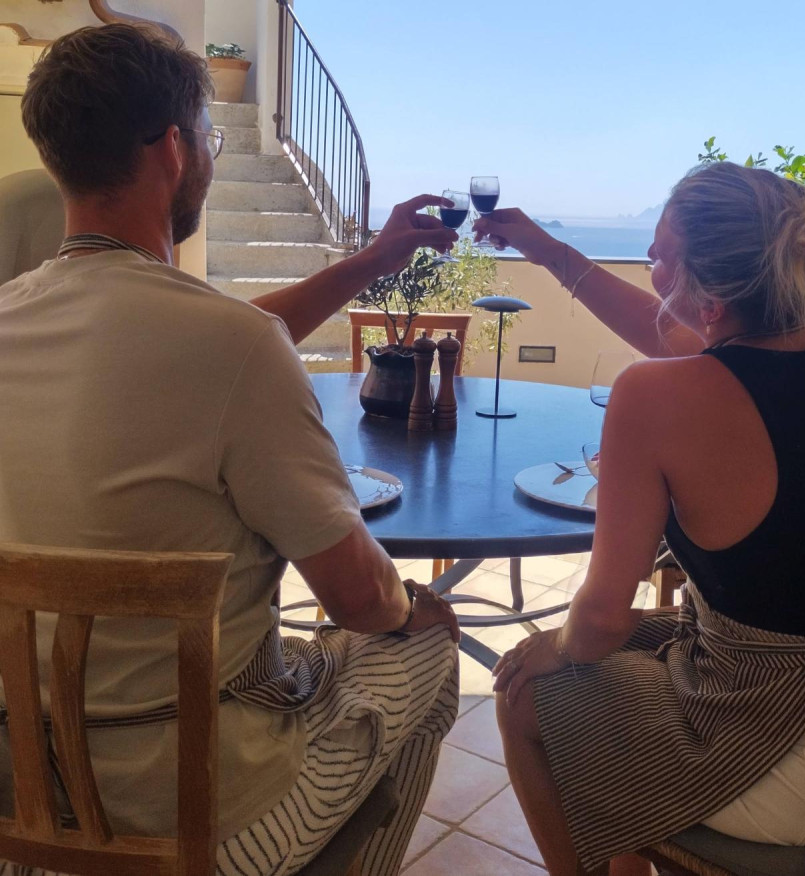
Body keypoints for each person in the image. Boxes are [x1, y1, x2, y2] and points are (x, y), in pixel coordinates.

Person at [0, 23, 461, 876]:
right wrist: (413, 610)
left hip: (28, 795)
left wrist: (369, 262)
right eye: (209, 138)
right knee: (422, 653)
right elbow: (360, 599)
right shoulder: (232, 347)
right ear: (175, 150)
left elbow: (209, 339)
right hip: (198, 822)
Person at [473, 162, 805, 876]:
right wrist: (551, 252)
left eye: (659, 256)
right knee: (629, 666)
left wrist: (558, 648)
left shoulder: (654, 396)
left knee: (529, 691)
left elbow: (599, 617)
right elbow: (704, 356)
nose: (652, 269)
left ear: (713, 299)